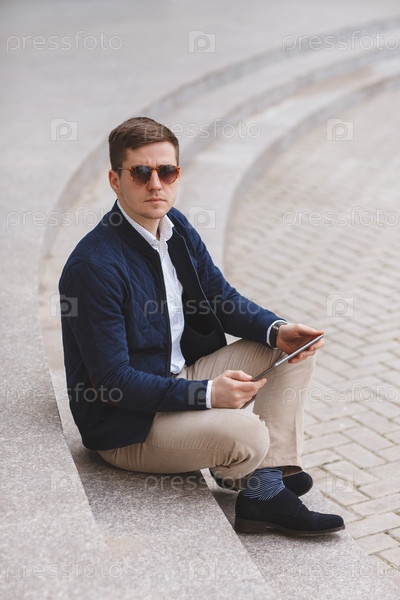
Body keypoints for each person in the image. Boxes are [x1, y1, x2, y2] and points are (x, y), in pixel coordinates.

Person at [59, 116, 344, 536]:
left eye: (167, 171)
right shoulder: (95, 266)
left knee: (292, 352)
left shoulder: (175, 228)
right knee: (249, 433)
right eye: (140, 173)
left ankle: (264, 480)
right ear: (115, 181)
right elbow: (113, 383)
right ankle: (255, 475)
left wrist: (276, 329)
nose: (156, 184)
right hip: (128, 424)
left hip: (176, 378)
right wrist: (209, 394)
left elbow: (220, 297)